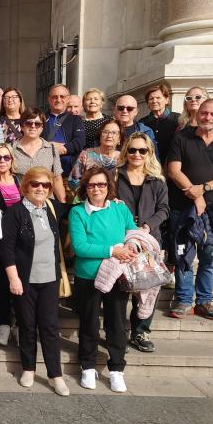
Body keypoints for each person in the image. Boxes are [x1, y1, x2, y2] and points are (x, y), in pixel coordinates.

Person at [0, 167, 70, 396]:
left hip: (50, 278)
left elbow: (80, 207)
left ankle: (55, 375)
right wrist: (13, 278)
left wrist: (112, 199)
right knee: (27, 326)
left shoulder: (51, 208)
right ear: (26, 186)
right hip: (25, 280)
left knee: (49, 327)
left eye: (45, 185)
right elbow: (7, 249)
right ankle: (28, 368)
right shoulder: (15, 212)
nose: (40, 188)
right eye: (35, 184)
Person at [166, 99, 213, 321]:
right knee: (183, 255)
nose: (207, 117)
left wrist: (203, 189)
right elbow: (173, 170)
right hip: (182, 207)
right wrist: (195, 195)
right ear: (198, 115)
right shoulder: (182, 137)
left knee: (209, 256)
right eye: (204, 113)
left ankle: (205, 301)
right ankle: (184, 300)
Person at [69, 166, 137, 393]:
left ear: (109, 187)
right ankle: (87, 365)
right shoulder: (78, 212)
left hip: (117, 275)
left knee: (116, 323)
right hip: (88, 276)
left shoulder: (120, 209)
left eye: (101, 184)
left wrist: (130, 246)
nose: (97, 188)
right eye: (91, 185)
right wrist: (112, 250)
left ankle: (117, 368)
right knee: (88, 322)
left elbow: (132, 233)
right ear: (85, 188)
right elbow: (80, 247)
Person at [116, 133, 169, 352]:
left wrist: (147, 226)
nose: (137, 154)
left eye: (142, 150)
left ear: (149, 153)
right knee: (121, 288)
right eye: (132, 150)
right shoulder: (114, 176)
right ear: (126, 151)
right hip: (121, 238)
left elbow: (164, 209)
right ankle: (118, 334)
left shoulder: (156, 180)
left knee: (148, 284)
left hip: (149, 240)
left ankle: (140, 331)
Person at [0, 143, 22, 346]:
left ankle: (18, 325)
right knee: (1, 282)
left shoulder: (20, 180)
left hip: (20, 239)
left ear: (11, 160)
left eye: (6, 158)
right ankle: (4, 325)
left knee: (19, 281)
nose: (2, 161)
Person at [11, 108, 66, 202]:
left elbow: (57, 179)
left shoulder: (51, 149)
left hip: (45, 202)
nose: (33, 126)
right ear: (22, 126)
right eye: (29, 123)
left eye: (37, 124)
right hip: (19, 203)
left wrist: (62, 204)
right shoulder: (11, 149)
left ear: (42, 127)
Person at [41, 84, 85, 177]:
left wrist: (61, 148)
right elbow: (36, 140)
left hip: (69, 174)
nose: (58, 100)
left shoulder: (75, 120)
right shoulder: (41, 118)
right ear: (49, 99)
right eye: (54, 97)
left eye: (62, 96)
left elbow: (79, 142)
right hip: (45, 172)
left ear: (68, 99)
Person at [67, 118, 122, 191]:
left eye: (114, 132)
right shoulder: (86, 154)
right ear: (100, 135)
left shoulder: (123, 158)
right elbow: (72, 181)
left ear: (119, 139)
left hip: (115, 200)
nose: (109, 135)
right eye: (105, 132)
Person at [139, 83, 180, 163]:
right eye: (151, 99)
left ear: (167, 100)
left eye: (158, 98)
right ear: (148, 103)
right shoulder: (142, 123)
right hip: (149, 164)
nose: (154, 101)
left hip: (172, 163)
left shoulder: (178, 119)